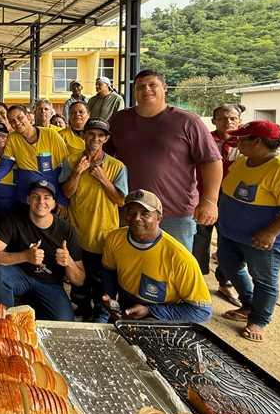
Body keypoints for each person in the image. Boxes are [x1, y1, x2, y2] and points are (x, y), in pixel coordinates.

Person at [217, 121, 280, 342]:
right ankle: (248, 304)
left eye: (242, 138)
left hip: (263, 241)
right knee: (230, 267)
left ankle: (259, 319)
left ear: (257, 142)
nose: (237, 142)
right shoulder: (244, 161)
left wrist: (270, 232)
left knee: (265, 280)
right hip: (231, 233)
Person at [108, 70, 221, 251]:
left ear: (165, 88)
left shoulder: (188, 121)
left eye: (152, 85)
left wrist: (210, 201)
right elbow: (103, 156)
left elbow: (211, 161)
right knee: (131, 265)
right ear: (135, 91)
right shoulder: (119, 120)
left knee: (175, 269)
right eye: (140, 87)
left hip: (175, 213)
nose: (146, 90)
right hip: (129, 210)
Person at [100, 189, 212, 323]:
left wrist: (151, 311)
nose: (136, 218)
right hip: (124, 308)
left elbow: (202, 311)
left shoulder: (180, 258)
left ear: (159, 218)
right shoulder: (115, 238)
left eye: (145, 214)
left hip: (160, 317)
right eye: (131, 212)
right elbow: (108, 272)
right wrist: (110, 300)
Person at [0, 180, 84, 320]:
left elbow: (79, 280)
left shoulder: (66, 229)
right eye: (36, 196)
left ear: (54, 203)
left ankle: (35, 306)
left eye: (47, 197)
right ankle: (6, 321)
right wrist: (25, 256)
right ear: (28, 200)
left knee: (65, 321)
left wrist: (69, 262)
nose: (41, 201)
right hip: (20, 276)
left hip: (50, 283)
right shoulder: (14, 220)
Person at [59, 118, 128, 320]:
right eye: (91, 134)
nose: (95, 139)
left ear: (106, 139)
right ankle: (81, 308)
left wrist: (104, 179)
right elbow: (67, 193)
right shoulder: (71, 161)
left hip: (103, 234)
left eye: (100, 135)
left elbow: (121, 200)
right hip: (77, 231)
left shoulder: (117, 166)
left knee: (102, 280)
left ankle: (102, 313)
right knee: (79, 280)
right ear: (83, 136)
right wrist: (77, 173)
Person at [193, 103, 244, 306]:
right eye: (222, 118)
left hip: (234, 200)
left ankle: (225, 282)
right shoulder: (205, 139)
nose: (228, 122)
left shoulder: (247, 143)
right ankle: (197, 280)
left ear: (239, 120)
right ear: (214, 121)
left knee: (229, 241)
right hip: (203, 195)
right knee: (200, 238)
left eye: (232, 118)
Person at [0, 105, 70, 206]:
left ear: (28, 117)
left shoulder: (51, 135)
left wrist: (62, 200)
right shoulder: (13, 139)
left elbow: (65, 169)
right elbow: (4, 166)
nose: (17, 123)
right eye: (12, 121)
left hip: (50, 198)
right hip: (26, 198)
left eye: (20, 118)